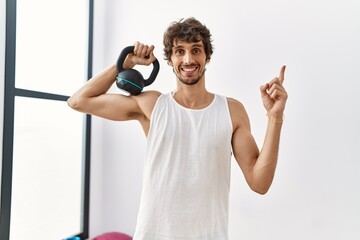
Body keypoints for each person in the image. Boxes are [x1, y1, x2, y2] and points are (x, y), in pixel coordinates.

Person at [68, 17, 288, 240]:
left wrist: (274, 118)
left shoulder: (232, 111)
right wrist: (124, 65)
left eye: (196, 50)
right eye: (179, 51)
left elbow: (259, 183)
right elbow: (78, 101)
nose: (188, 59)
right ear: (170, 60)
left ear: (207, 56)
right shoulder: (152, 105)